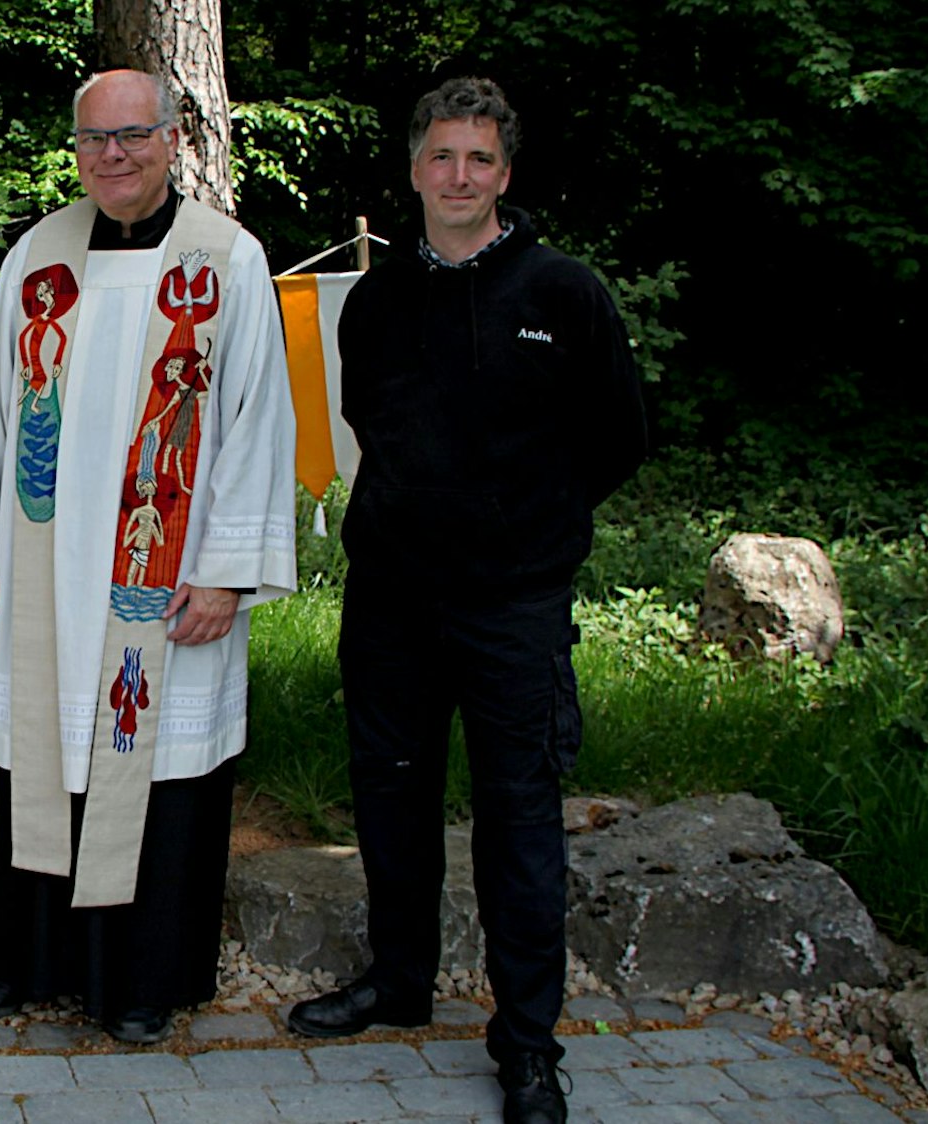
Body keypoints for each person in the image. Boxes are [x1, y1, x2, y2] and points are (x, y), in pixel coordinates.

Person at [284, 78, 647, 1124]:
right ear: (412, 169)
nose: (457, 176)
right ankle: (399, 983)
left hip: (512, 610)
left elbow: (618, 435)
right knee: (390, 800)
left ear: (504, 174)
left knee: (517, 821)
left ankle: (527, 1042)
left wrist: (528, 526)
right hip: (392, 599)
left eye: (478, 159)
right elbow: (366, 421)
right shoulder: (381, 300)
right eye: (441, 157)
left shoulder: (563, 293)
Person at [0, 69, 297, 1044]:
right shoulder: (37, 258)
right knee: (46, 761)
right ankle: (27, 959)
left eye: (132, 135)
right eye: (94, 139)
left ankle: (142, 980)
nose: (113, 155)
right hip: (53, 572)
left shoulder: (226, 263)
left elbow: (260, 424)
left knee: (161, 769)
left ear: (174, 138)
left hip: (169, 579)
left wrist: (228, 568)